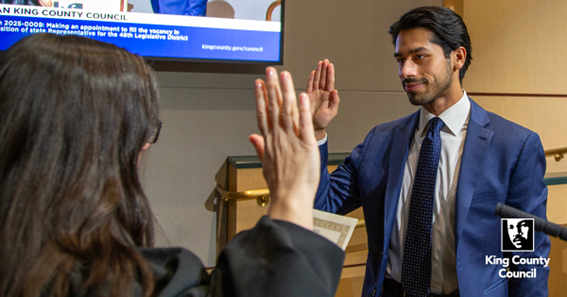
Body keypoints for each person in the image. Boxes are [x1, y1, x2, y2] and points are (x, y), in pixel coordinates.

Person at [0, 33, 344, 297]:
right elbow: (328, 206)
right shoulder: (147, 284)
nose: (147, 144)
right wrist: (291, 193)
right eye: (142, 129)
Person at [298, 6, 550, 297]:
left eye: (419, 57)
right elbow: (321, 205)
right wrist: (315, 132)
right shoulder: (380, 141)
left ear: (457, 57)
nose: (406, 71)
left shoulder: (513, 147)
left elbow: (525, 255)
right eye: (401, 60)